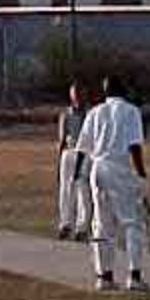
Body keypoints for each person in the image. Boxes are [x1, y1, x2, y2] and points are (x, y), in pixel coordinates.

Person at [75, 76, 150, 293]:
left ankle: (104, 277)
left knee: (102, 223)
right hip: (119, 168)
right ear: (123, 90)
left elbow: (83, 148)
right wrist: (142, 176)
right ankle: (134, 276)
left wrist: (78, 174)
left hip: (97, 170)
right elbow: (135, 146)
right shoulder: (130, 111)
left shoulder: (94, 112)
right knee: (133, 223)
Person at [56, 82, 91, 240]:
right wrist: (59, 161)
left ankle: (82, 228)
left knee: (82, 189)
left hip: (84, 153)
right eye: (74, 93)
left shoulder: (90, 115)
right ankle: (65, 224)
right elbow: (62, 138)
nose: (77, 97)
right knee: (66, 189)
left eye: (79, 93)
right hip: (69, 153)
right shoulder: (66, 114)